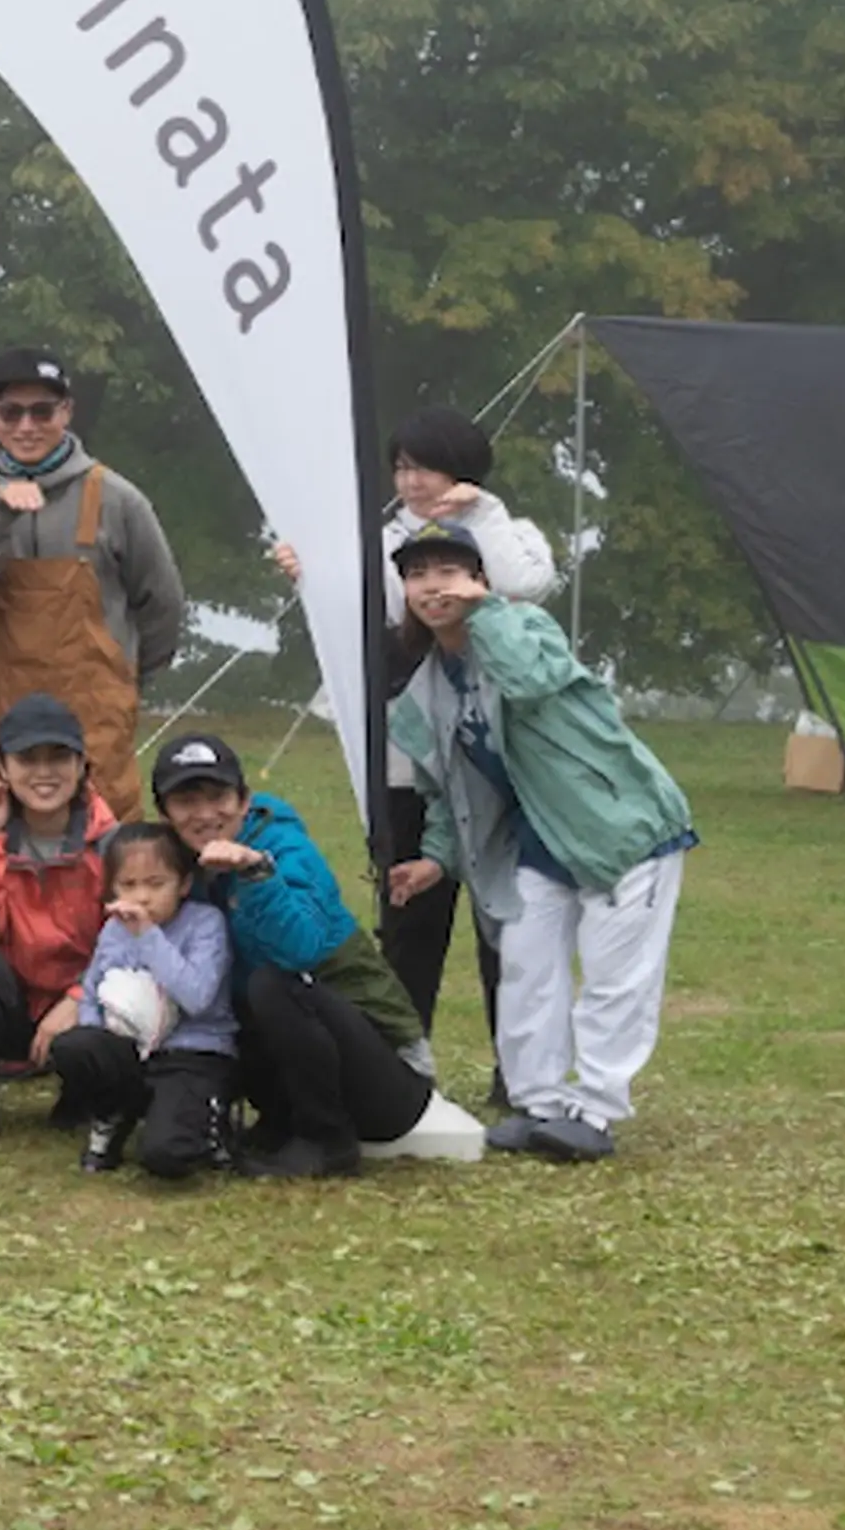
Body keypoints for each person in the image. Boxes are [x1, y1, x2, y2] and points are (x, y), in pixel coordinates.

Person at [385, 528, 697, 1164]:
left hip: (622, 827)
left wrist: (488, 611)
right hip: (537, 841)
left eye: (450, 570)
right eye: (418, 574)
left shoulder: (526, 629)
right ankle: (540, 1104)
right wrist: (435, 859)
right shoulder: (424, 689)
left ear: (479, 580)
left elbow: (526, 681)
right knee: (526, 968)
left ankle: (599, 1108)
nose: (434, 585)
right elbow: (448, 788)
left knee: (615, 976)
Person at [274, 406, 559, 1051]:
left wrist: (479, 515)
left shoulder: (511, 532)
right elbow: (353, 614)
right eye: (401, 468)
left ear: (462, 469)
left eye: (424, 467)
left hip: (499, 761)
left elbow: (522, 585)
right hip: (409, 758)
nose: (411, 481)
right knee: (409, 918)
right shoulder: (375, 542)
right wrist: (306, 575)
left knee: (506, 919)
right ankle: (405, 1060)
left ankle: (518, 1070)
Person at [149, 731, 433, 1179]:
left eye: (218, 796)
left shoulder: (285, 849)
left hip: (390, 1081)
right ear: (165, 814)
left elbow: (301, 949)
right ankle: (280, 1123)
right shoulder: (182, 869)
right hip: (312, 1062)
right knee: (224, 995)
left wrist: (254, 872)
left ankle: (328, 1140)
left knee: (270, 982)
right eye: (186, 801)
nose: (205, 814)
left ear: (244, 801)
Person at [0, 349, 186, 819]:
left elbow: (163, 604)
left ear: (66, 412)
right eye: (11, 412)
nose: (26, 426)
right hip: (0, 710)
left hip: (95, 712)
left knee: (107, 852)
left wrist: (124, 679)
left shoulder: (117, 498)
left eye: (42, 411)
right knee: (2, 853)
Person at [0, 691, 120, 1149]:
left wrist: (78, 997)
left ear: (82, 766)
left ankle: (84, 1090)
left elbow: (128, 943)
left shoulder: (113, 841)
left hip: (83, 1001)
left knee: (130, 987)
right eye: (27, 758)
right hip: (10, 1000)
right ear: (1, 768)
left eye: (59, 757)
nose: (43, 772)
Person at [43, 822, 235, 1179]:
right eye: (128, 885)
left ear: (184, 884)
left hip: (191, 1053)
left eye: (156, 883)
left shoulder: (205, 924)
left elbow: (197, 997)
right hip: (131, 1049)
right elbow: (93, 989)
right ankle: (112, 1112)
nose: (142, 897)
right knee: (74, 1045)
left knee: (165, 1156)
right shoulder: (114, 929)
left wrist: (148, 936)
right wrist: (96, 1039)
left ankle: (208, 1122)